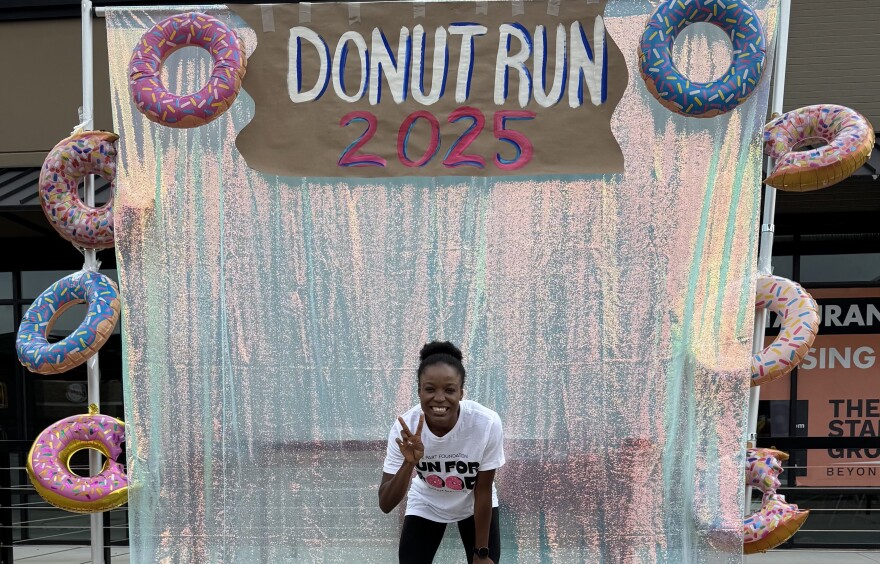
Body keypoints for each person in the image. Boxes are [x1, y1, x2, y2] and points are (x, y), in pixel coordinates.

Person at [379, 341, 505, 564]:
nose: (439, 398)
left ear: (461, 392)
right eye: (429, 389)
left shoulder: (486, 423)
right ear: (419, 391)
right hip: (427, 502)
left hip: (473, 502)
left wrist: (481, 553)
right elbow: (386, 504)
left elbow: (483, 490)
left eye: (449, 390)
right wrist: (408, 464)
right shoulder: (404, 428)